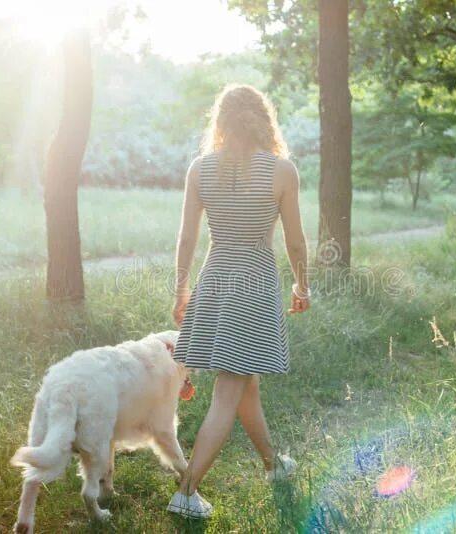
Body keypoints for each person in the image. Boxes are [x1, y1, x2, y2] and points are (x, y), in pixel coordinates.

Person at [168, 84, 310, 518]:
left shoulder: (200, 168)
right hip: (255, 281)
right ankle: (187, 492)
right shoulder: (282, 171)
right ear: (262, 119)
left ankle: (273, 465)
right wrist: (302, 285)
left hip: (215, 279)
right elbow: (295, 242)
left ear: (222, 121)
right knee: (230, 387)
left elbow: (188, 237)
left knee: (246, 380)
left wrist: (181, 288)